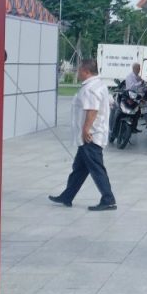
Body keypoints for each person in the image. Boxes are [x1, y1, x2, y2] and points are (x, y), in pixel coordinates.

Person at [49, 59, 117, 211]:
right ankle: (67, 196)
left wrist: (86, 130)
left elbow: (92, 111)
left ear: (86, 71)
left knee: (97, 169)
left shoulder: (90, 88)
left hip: (91, 136)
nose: (77, 73)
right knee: (79, 168)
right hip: (92, 135)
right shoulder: (98, 84)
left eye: (79, 70)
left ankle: (108, 199)